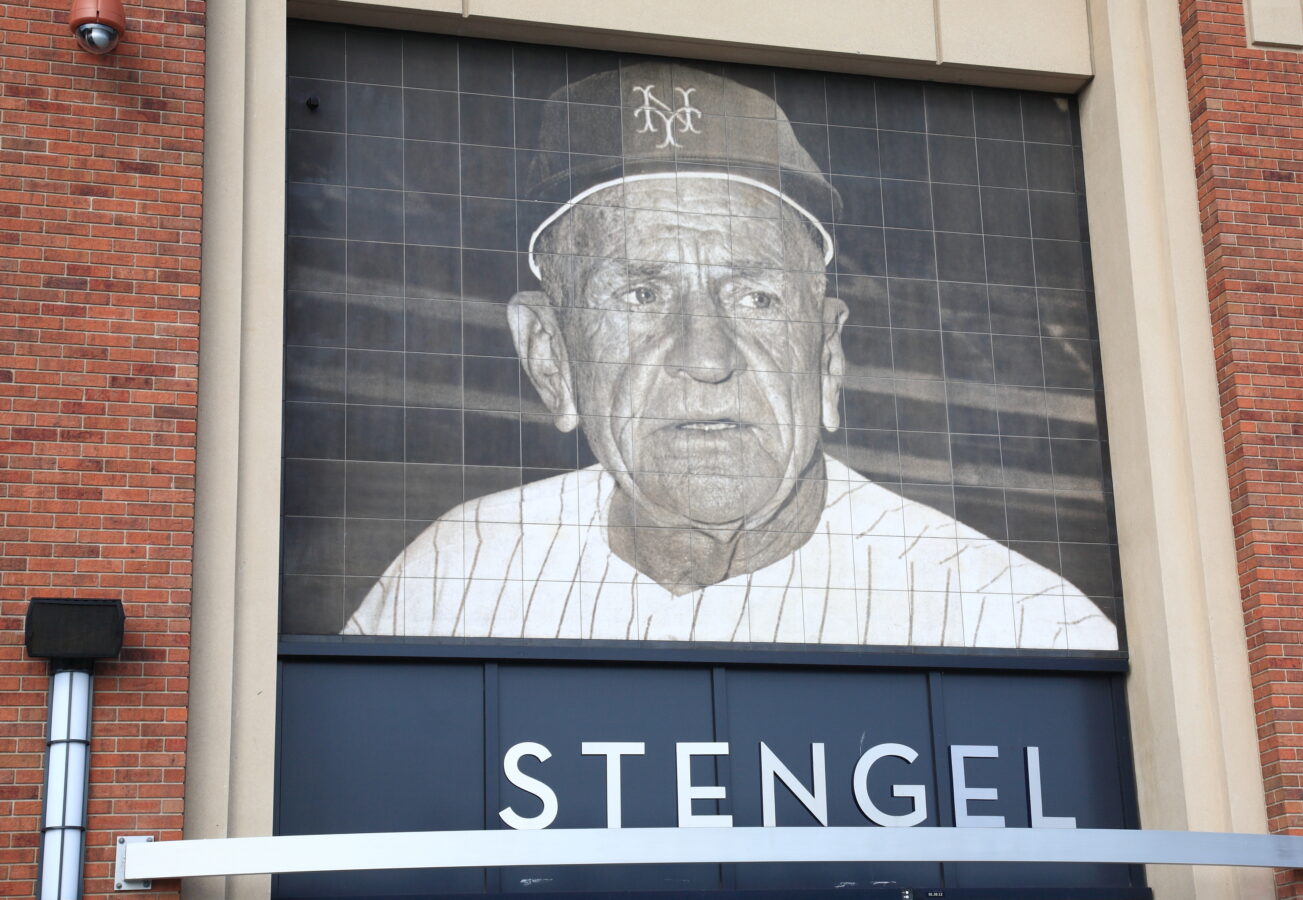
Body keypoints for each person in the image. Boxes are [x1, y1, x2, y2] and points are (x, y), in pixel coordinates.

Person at [343, 63, 1117, 650]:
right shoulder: (455, 572)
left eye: (757, 298)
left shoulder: (1013, 619)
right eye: (640, 296)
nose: (706, 358)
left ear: (826, 359)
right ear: (551, 358)